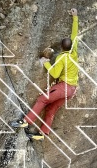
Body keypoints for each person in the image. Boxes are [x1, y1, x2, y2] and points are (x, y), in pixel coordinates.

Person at [10, 8, 79, 140]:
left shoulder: (61, 58)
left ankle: (26, 121)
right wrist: (75, 17)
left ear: (61, 47)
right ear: (70, 46)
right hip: (72, 90)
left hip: (64, 87)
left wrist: (45, 62)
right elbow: (74, 35)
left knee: (42, 99)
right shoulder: (74, 52)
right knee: (51, 109)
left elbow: (55, 73)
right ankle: (42, 134)